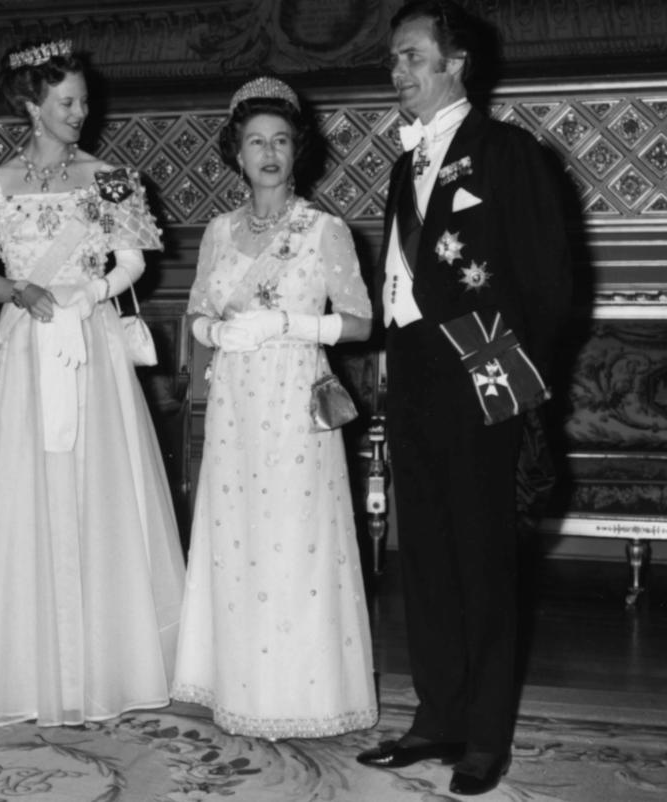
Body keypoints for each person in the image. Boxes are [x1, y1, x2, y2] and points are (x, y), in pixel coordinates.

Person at [0, 39, 186, 727]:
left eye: (84, 100)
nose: (81, 112)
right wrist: (17, 289)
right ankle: (25, 667)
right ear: (32, 105)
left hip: (90, 342)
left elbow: (132, 261)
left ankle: (104, 664)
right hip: (25, 343)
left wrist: (91, 289)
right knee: (22, 495)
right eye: (67, 102)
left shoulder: (110, 176)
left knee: (96, 492)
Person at [355, 2, 571, 795]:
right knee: (428, 560)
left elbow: (550, 284)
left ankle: (485, 737)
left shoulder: (509, 153)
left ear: (457, 62)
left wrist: (511, 377)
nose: (397, 73)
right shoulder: (399, 162)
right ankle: (436, 717)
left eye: (411, 57)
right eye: (393, 60)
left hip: (483, 371)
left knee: (483, 561)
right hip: (411, 372)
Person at [171, 77, 379, 740]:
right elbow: (198, 312)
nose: (268, 153)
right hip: (235, 403)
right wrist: (215, 334)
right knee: (240, 539)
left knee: (296, 540)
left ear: (297, 153)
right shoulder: (219, 231)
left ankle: (303, 694)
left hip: (296, 402)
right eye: (255, 142)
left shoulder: (324, 230)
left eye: (281, 142)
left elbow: (360, 322)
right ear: (236, 153)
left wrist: (290, 325)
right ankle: (240, 685)